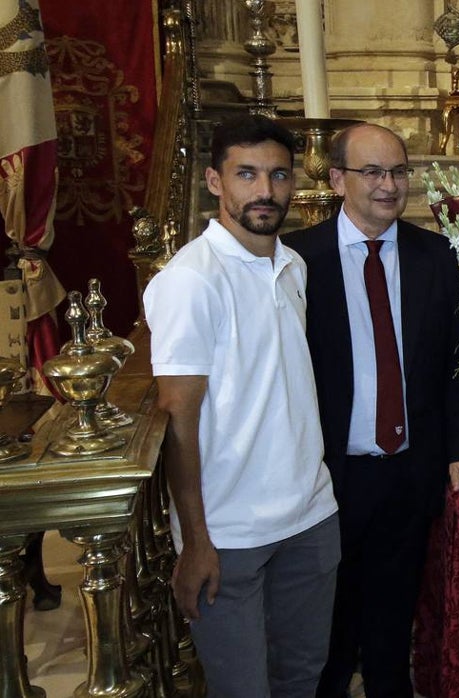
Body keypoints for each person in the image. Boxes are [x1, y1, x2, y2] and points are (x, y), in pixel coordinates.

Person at [284, 122, 459, 698]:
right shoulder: (297, 263)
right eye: (373, 172)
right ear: (336, 179)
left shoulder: (434, 255)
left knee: (390, 632)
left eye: (399, 172)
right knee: (327, 637)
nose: (389, 185)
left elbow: (458, 363)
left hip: (408, 473)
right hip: (328, 478)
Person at [144, 114, 340, 698]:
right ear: (213, 181)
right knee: (242, 689)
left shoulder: (293, 266)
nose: (265, 191)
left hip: (309, 517)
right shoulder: (191, 281)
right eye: (246, 174)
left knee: (302, 678)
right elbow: (179, 415)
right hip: (229, 533)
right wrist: (196, 537)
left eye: (278, 175)